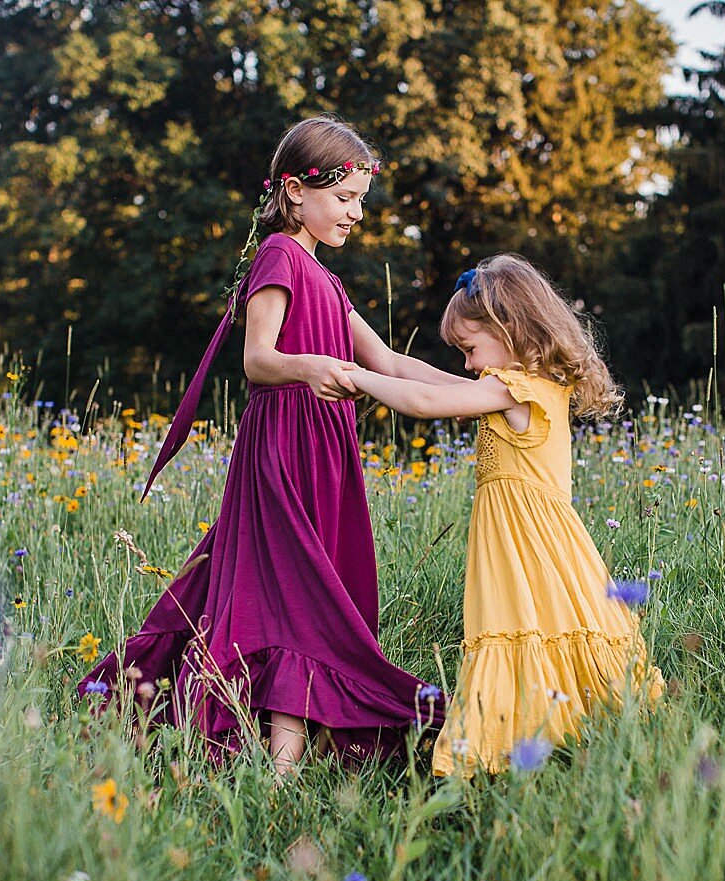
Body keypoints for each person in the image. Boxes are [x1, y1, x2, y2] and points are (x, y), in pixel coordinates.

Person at [78, 117, 461, 774]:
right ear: (294, 190)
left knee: (309, 592)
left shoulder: (328, 280)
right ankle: (278, 770)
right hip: (283, 449)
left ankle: (289, 752)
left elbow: (391, 362)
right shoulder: (280, 255)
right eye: (345, 198)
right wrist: (310, 367)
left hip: (327, 455)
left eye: (360, 199)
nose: (356, 213)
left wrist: (485, 391)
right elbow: (258, 359)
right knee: (299, 595)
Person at [345, 255, 663, 776]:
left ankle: (511, 750)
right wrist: (347, 314)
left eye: (470, 349)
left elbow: (423, 399)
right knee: (539, 634)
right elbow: (409, 370)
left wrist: (358, 378)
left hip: (529, 545)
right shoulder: (516, 386)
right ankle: (554, 741)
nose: (467, 364)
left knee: (522, 632)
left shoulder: (518, 390)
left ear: (509, 328)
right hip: (531, 542)